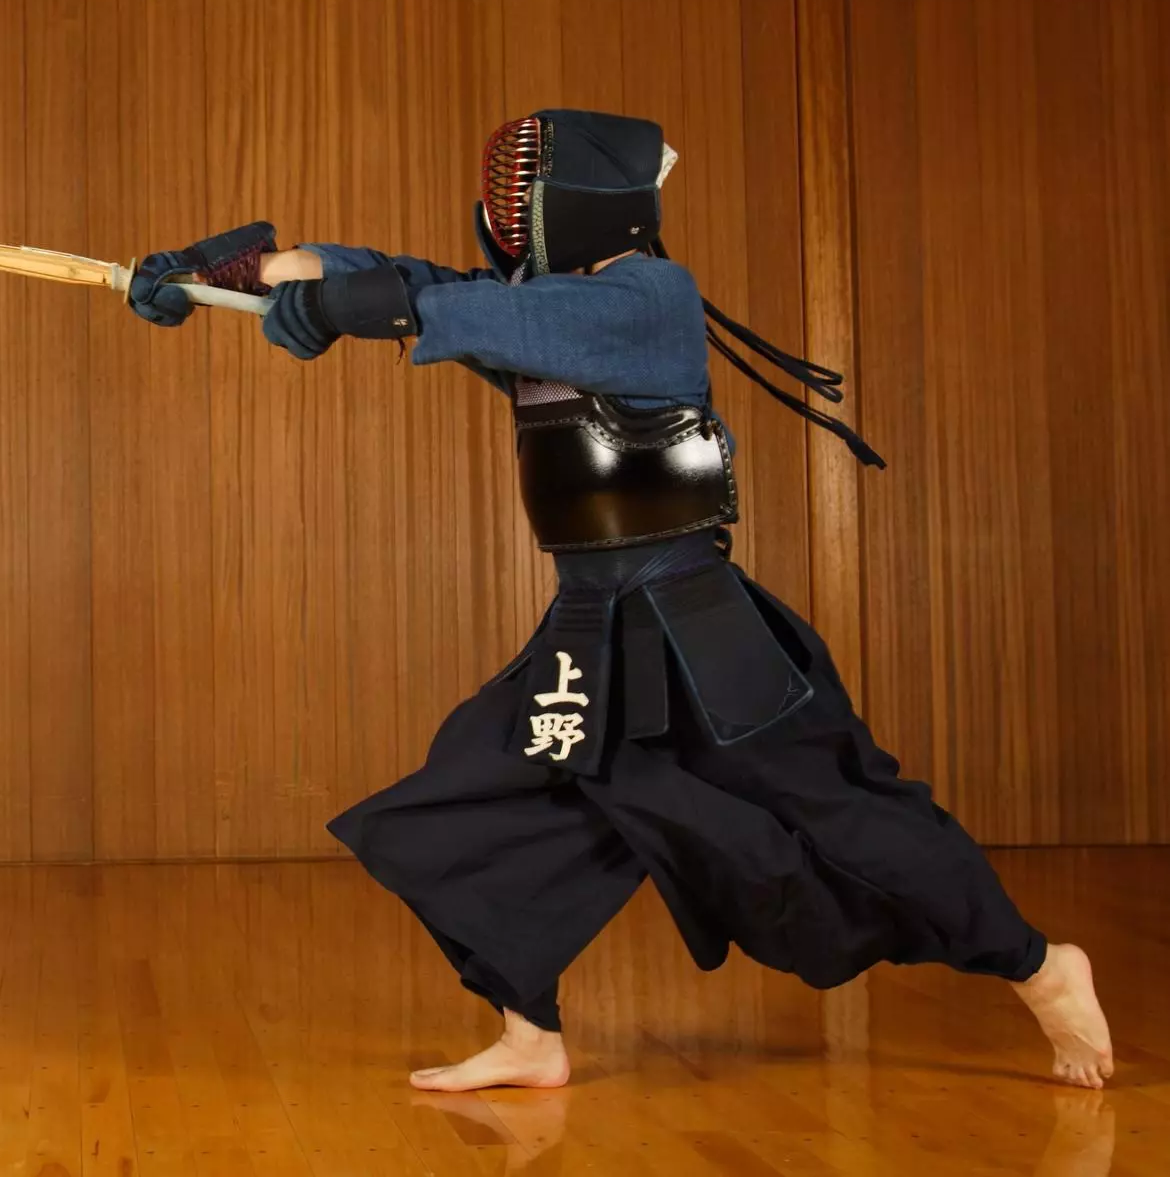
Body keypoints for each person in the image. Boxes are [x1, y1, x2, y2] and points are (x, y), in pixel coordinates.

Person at [124, 109, 1115, 1091]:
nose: (507, 217)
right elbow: (418, 284)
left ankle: (1036, 966)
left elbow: (456, 310)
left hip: (697, 627)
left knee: (840, 809)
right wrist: (236, 272)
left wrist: (366, 305)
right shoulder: (523, 300)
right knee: (469, 798)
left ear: (583, 202)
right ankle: (528, 1031)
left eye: (523, 196)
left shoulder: (646, 296)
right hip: (589, 625)